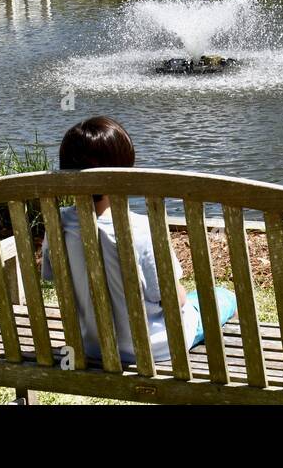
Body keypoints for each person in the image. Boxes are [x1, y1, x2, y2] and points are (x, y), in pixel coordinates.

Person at [40, 116, 237, 366]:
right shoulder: (141, 229)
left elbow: (54, 277)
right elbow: (175, 298)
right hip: (157, 348)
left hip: (91, 347)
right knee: (222, 297)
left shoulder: (57, 224)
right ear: (124, 171)